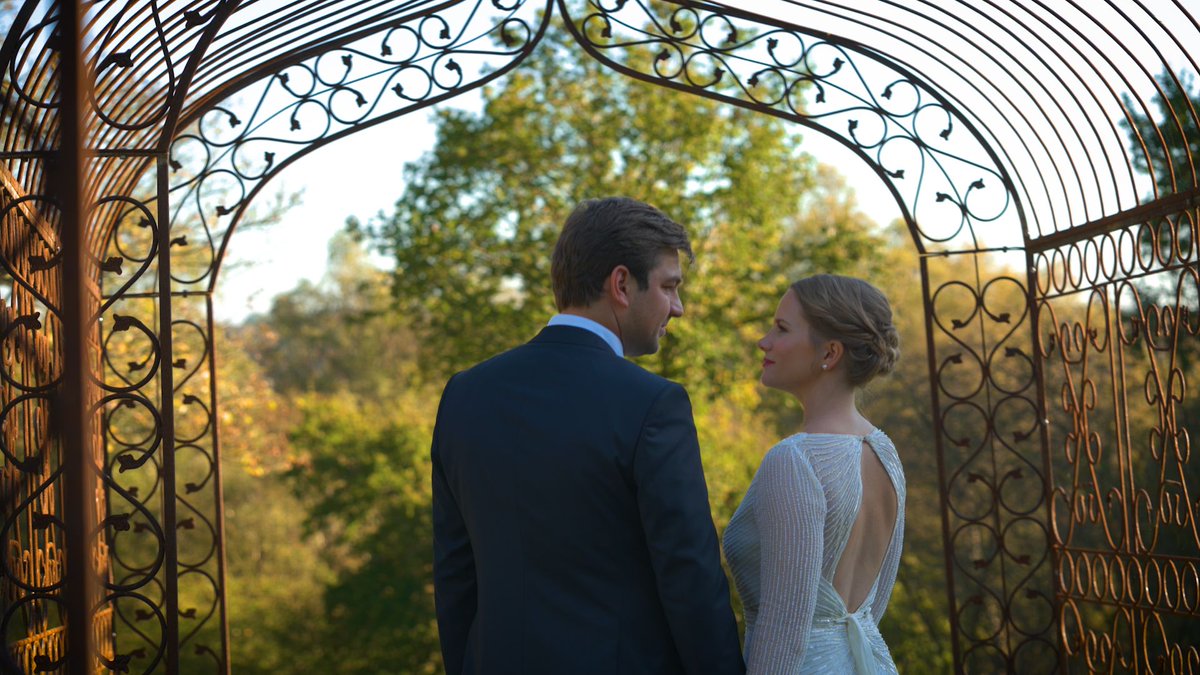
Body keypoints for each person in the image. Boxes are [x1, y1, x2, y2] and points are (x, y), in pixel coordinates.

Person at [431, 197, 744, 675]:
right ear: (620, 284)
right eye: (668, 286)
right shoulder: (652, 405)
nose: (677, 308)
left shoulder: (465, 394)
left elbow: (456, 576)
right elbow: (691, 578)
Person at [723, 274, 905, 674]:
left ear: (830, 353)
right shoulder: (885, 453)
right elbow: (873, 608)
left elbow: (782, 627)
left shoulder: (794, 460)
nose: (764, 341)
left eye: (782, 329)